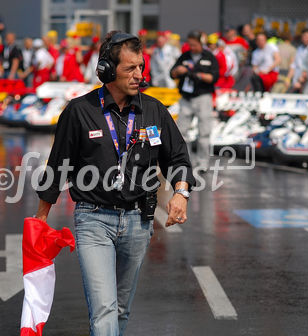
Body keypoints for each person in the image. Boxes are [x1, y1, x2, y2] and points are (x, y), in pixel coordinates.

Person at [35, 31, 195, 336]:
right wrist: (41, 216)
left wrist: (181, 193)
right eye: (129, 68)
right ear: (107, 70)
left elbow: (178, 158)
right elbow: (58, 166)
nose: (138, 75)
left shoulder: (154, 111)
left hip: (138, 222)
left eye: (141, 67)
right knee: (104, 308)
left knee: (120, 308)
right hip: (93, 219)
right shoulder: (80, 111)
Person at [170, 30, 219, 172]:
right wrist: (179, 71)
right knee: (182, 131)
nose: (192, 47)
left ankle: (203, 162)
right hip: (186, 98)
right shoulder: (184, 56)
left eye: (195, 44)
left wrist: (198, 75)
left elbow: (214, 78)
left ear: (201, 43)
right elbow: (172, 73)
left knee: (204, 132)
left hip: (203, 97)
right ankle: (187, 161)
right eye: (190, 44)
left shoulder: (209, 57)